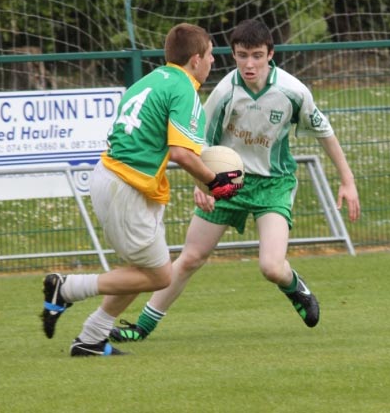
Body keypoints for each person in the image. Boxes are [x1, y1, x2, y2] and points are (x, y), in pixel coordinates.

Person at [109, 19, 361, 343]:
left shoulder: (293, 92)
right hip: (226, 183)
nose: (249, 64)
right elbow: (197, 144)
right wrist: (203, 188)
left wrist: (347, 180)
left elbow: (324, 131)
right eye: (242, 55)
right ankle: (141, 327)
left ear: (270, 54)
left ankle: (294, 285)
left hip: (273, 184)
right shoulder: (225, 92)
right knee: (190, 258)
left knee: (271, 267)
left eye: (257, 55)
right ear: (233, 54)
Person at [40, 23, 243, 357]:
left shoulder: (149, 81)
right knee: (160, 275)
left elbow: (170, 148)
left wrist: (204, 179)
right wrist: (214, 182)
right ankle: (67, 288)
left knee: (142, 271)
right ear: (195, 59)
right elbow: (181, 154)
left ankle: (91, 339)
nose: (212, 63)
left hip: (117, 179)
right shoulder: (185, 89)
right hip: (127, 187)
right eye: (210, 55)